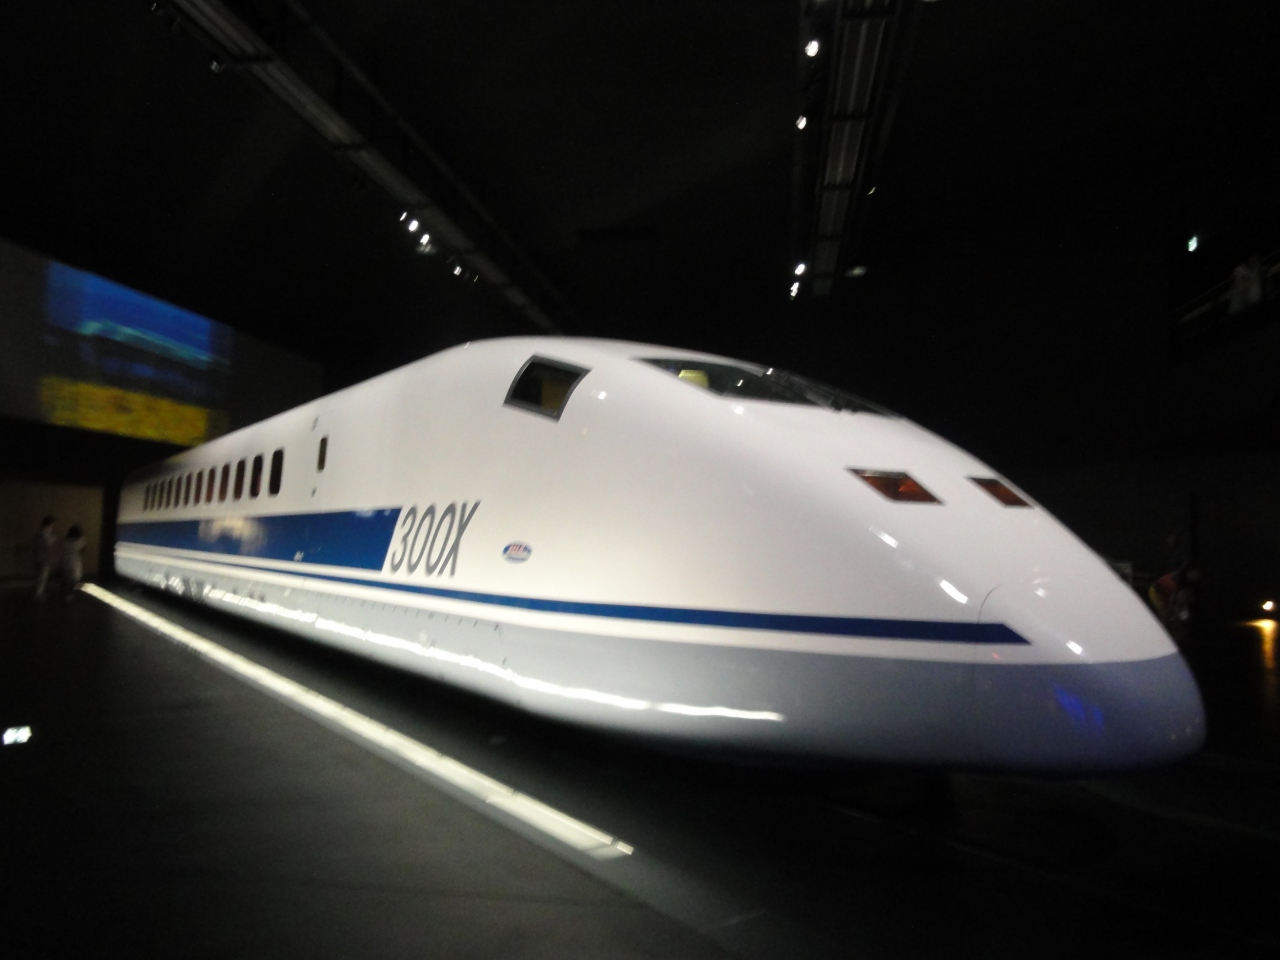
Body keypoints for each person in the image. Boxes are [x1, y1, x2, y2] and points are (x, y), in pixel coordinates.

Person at [34, 515, 58, 600]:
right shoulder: (43, 534)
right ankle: (38, 593)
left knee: (42, 576)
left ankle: (39, 593)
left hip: (43, 558)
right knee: (42, 576)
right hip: (43, 558)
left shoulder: (42, 534)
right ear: (48, 524)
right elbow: (45, 546)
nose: (52, 526)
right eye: (52, 524)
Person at [60, 524, 86, 600]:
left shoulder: (64, 540)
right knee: (74, 579)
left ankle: (64, 594)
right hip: (75, 562)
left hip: (65, 561)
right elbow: (84, 549)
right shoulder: (80, 541)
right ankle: (69, 595)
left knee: (66, 578)